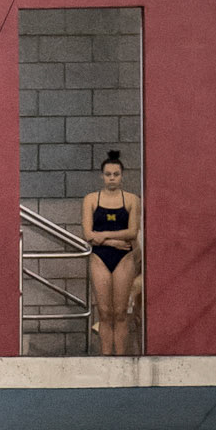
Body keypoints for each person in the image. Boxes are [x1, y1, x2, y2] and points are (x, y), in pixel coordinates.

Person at [81, 149, 142, 356]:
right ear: (102, 176)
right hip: (100, 258)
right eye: (108, 175)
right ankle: (106, 360)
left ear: (122, 176)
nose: (112, 178)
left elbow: (133, 231)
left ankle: (121, 359)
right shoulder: (91, 199)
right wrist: (115, 241)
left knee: (120, 312)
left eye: (116, 175)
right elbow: (88, 234)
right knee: (105, 313)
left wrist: (104, 236)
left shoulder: (132, 200)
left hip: (124, 258)